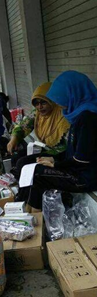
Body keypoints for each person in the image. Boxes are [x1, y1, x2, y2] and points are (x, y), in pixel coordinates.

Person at [16, 70, 97, 210]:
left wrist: (56, 164)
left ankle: (32, 218)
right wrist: (54, 160)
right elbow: (72, 151)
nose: (59, 104)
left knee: (37, 174)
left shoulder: (88, 118)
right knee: (28, 165)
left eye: (61, 98)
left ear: (73, 93)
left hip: (86, 177)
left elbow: (81, 160)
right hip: (75, 169)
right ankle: (22, 208)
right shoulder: (77, 113)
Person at [7, 82, 70, 176]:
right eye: (36, 103)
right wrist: (14, 139)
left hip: (60, 154)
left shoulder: (63, 116)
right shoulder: (37, 114)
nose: (40, 107)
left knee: (22, 163)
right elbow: (23, 126)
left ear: (52, 100)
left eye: (44, 102)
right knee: (16, 157)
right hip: (45, 148)